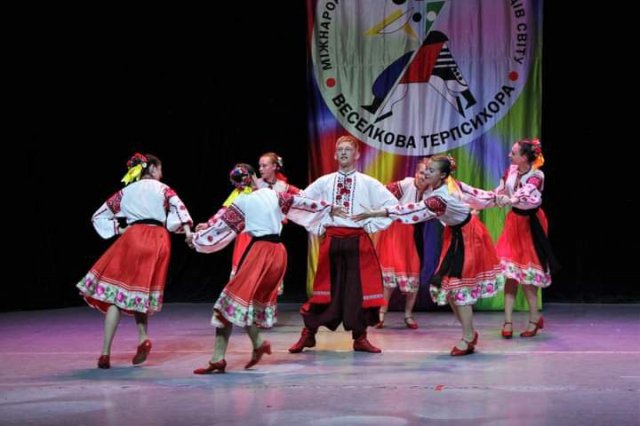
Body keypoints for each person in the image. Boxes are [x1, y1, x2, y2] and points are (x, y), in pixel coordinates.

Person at [189, 164, 341, 374]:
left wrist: (196, 240)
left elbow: (222, 228)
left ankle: (250, 346)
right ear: (253, 176)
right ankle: (224, 356)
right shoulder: (273, 195)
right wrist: (328, 207)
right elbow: (302, 203)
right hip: (278, 254)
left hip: (260, 252)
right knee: (242, 305)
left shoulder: (242, 201)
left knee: (227, 305)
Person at [354, 155, 504, 356]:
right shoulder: (437, 189)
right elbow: (473, 196)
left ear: (442, 175)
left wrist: (498, 198)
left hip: (468, 237)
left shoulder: (441, 196)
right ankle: (469, 333)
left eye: (431, 170)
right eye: (426, 169)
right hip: (456, 235)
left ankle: (468, 337)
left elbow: (412, 211)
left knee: (458, 288)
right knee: (448, 288)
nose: (426, 173)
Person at [76, 153, 193, 369]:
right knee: (140, 291)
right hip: (158, 240)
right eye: (160, 169)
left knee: (115, 295)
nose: (161, 173)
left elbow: (98, 215)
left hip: (134, 237)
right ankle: (142, 337)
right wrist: (187, 233)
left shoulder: (126, 191)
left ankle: (105, 353)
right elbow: (180, 208)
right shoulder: (163, 188)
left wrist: (120, 229)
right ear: (153, 169)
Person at [288, 135, 398, 354]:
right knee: (324, 290)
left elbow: (392, 205)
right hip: (332, 242)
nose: (344, 152)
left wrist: (370, 223)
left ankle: (360, 338)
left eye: (348, 149)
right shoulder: (324, 182)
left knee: (357, 292)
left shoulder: (368, 182)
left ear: (357, 154)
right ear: (335, 155)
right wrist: (320, 222)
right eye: (340, 149)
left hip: (358, 243)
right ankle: (308, 334)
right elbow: (301, 202)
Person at [495, 139, 559, 338]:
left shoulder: (537, 175)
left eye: (513, 153)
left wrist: (510, 199)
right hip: (514, 222)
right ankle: (507, 321)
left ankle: (534, 318)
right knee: (511, 273)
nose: (509, 155)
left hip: (531, 224)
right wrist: (493, 198)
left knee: (527, 275)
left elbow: (526, 191)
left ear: (524, 157)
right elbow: (501, 189)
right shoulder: (511, 170)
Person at [374, 158, 430, 329]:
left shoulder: (432, 191)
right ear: (416, 173)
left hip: (414, 233)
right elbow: (381, 193)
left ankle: (408, 315)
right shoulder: (406, 184)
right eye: (421, 172)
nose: (423, 176)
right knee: (390, 277)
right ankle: (381, 313)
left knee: (413, 275)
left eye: (427, 174)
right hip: (396, 232)